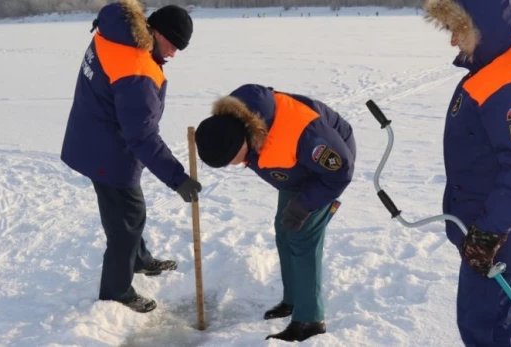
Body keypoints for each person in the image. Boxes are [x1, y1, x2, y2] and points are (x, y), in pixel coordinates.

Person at [423, 0, 511, 346]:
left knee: (483, 325)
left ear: (482, 25)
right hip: (496, 224)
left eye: (459, 29)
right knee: (507, 312)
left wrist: (487, 235)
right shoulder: (503, 60)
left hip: (500, 233)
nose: (453, 41)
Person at [60, 0, 202, 313]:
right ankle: (116, 292)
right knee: (125, 223)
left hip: (93, 133)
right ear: (156, 31)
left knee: (129, 214)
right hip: (106, 151)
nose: (174, 54)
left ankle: (139, 260)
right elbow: (143, 136)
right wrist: (178, 179)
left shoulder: (115, 31)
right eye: (173, 44)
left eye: (181, 48)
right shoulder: (137, 71)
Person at [194, 84, 356, 342]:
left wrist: (305, 205)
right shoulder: (234, 126)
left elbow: (340, 170)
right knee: (284, 229)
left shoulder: (303, 133)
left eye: (231, 159)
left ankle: (310, 320)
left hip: (327, 171)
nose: (232, 165)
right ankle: (293, 299)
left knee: (302, 235)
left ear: (242, 141)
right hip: (296, 169)